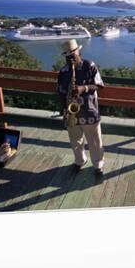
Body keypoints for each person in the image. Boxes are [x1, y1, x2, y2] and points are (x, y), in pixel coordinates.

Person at [57, 39, 105, 177]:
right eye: (68, 54)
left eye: (73, 52)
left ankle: (98, 165)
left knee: (95, 141)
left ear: (79, 51)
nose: (71, 56)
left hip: (89, 111)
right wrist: (64, 110)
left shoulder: (89, 65)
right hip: (72, 113)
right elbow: (60, 91)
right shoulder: (63, 71)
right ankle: (79, 161)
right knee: (75, 141)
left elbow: (100, 85)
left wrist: (83, 88)